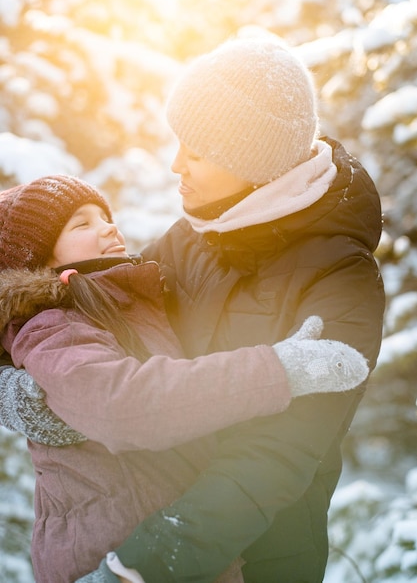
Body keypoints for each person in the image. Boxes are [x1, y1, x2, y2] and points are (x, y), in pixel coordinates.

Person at [74, 34, 385, 583]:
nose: (175, 165)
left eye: (196, 151)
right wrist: (18, 378)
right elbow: (100, 327)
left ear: (254, 161)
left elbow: (278, 452)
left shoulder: (342, 278)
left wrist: (150, 560)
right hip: (154, 526)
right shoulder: (194, 234)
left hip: (262, 560)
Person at [0, 174, 368, 583]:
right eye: (82, 224)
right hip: (111, 560)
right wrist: (277, 369)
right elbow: (126, 405)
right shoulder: (55, 325)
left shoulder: (124, 300)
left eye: (105, 216)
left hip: (178, 555)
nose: (108, 227)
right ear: (38, 261)